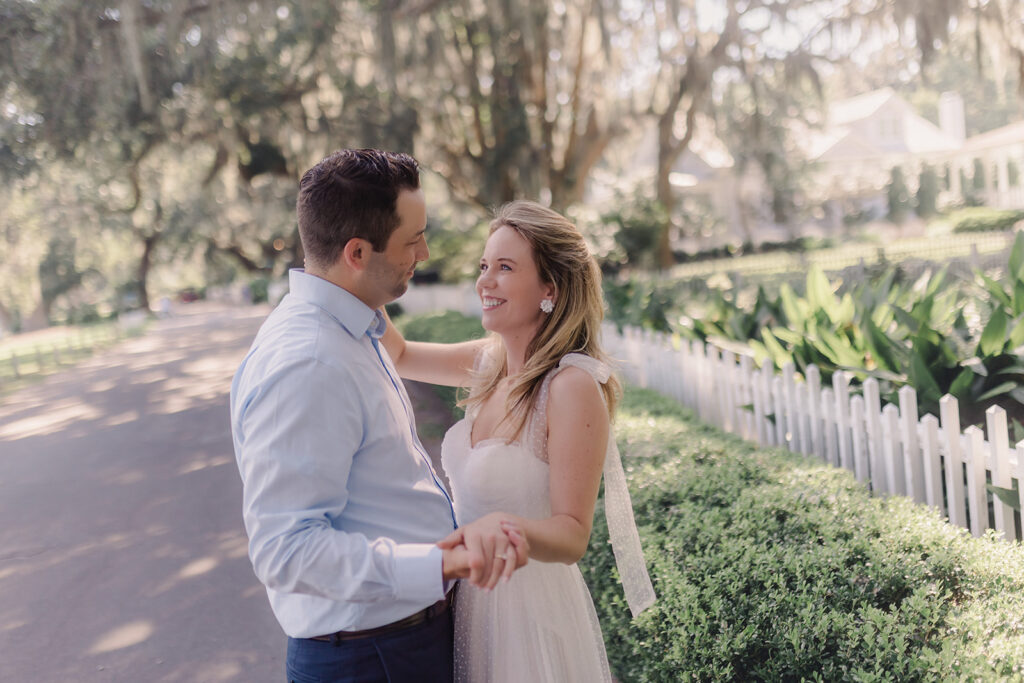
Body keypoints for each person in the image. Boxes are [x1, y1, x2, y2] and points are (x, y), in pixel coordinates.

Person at [229, 149, 528, 683]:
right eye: (412, 240)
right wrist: (440, 564)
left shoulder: (351, 325)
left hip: (398, 642)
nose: (424, 252)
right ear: (358, 252)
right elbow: (285, 551)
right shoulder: (311, 362)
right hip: (373, 658)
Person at [380, 200, 656, 682]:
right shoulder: (490, 363)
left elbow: (573, 535)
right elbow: (399, 354)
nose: (485, 281)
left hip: (530, 616)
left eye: (505, 268)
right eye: (484, 266)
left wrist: (508, 529)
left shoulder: (570, 386)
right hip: (471, 604)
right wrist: (357, 268)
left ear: (551, 288)